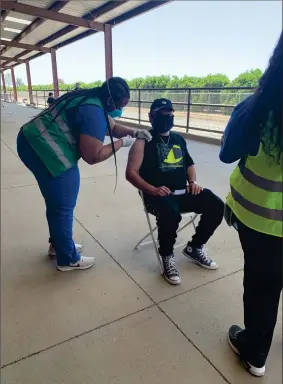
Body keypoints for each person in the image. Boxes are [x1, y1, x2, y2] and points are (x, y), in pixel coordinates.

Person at [17, 77, 152, 272]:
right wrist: (122, 143)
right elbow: (93, 155)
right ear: (110, 101)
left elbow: (112, 127)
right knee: (63, 204)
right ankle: (68, 259)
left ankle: (60, 245)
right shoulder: (93, 112)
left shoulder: (91, 99)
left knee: (57, 203)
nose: (121, 109)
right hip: (43, 149)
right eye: (121, 105)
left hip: (31, 139)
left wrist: (134, 132)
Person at [220, 33, 282, 377]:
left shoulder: (256, 108)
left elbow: (227, 153)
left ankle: (255, 350)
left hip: (259, 218)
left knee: (263, 285)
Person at [126, 98, 224, 285]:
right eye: (162, 115)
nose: (167, 118)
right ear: (151, 116)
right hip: (158, 196)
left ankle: (194, 247)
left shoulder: (178, 139)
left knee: (216, 204)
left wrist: (193, 181)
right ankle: (167, 256)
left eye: (170, 115)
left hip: (183, 193)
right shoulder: (144, 140)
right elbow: (130, 173)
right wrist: (151, 189)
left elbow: (189, 164)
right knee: (170, 212)